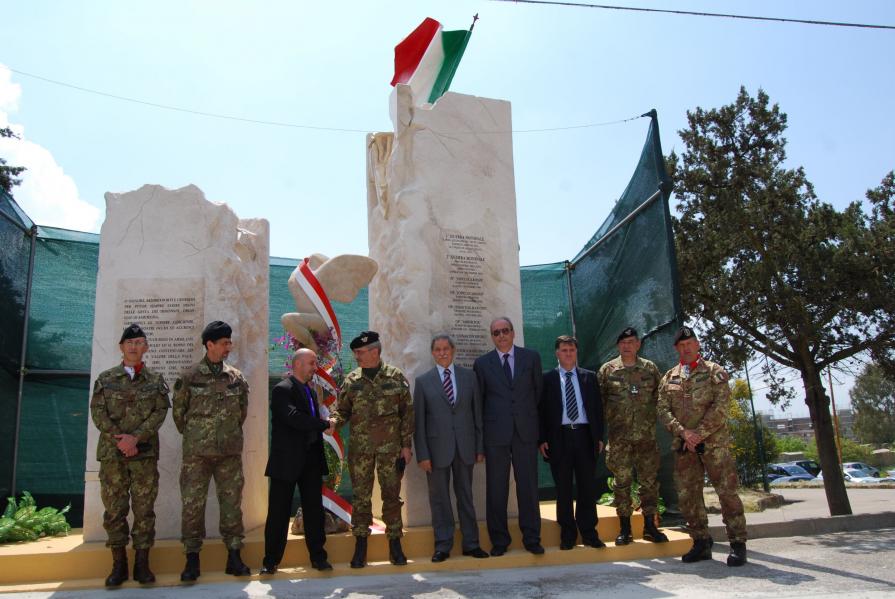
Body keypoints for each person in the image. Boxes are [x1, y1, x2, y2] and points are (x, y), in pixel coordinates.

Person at [658, 326, 747, 566]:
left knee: (727, 493)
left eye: (690, 344)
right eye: (681, 345)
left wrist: (698, 433)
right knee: (688, 497)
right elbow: (662, 410)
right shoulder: (669, 377)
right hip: (684, 446)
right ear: (677, 348)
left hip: (714, 445)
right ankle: (701, 543)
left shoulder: (714, 372)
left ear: (697, 345)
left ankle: (737, 544)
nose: (686, 348)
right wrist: (683, 432)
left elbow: (721, 407)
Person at [90, 323, 170, 587]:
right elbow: (98, 414)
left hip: (144, 455)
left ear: (145, 348)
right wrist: (121, 440)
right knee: (115, 510)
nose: (135, 347)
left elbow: (159, 413)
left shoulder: (156, 381)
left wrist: (136, 438)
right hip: (113, 456)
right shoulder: (105, 379)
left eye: (139, 343)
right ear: (122, 347)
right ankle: (118, 564)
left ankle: (142, 565)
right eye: (130, 343)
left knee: (144, 510)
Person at [173, 320, 252, 581]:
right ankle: (192, 560)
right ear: (210, 344)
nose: (228, 347)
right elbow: (179, 415)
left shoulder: (236, 378)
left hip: (228, 453)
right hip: (197, 454)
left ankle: (234, 557)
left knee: (232, 506)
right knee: (192, 506)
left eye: (229, 342)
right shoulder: (189, 377)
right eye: (224, 342)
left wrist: (224, 435)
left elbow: (241, 413)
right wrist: (201, 436)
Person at [330, 331, 414, 568]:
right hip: (361, 451)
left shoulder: (396, 377)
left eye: (360, 352)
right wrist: (335, 422)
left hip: (391, 450)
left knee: (391, 497)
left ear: (374, 352)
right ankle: (360, 547)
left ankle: (395, 546)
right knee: (361, 498)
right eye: (356, 352)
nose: (356, 356)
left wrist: (406, 446)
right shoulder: (352, 380)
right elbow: (342, 410)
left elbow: (407, 414)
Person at [413, 334, 489, 562]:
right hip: (436, 452)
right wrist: (423, 454)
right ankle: (443, 545)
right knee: (439, 499)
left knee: (466, 496)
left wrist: (479, 446)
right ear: (433, 353)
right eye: (438, 349)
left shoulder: (469, 377)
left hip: (465, 447)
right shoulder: (423, 381)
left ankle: (471, 543)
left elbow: (477, 416)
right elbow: (419, 424)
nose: (443, 352)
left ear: (453, 351)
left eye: (446, 348)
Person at [473, 317, 544, 556]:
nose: (501, 336)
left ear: (513, 333)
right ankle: (499, 540)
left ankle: (532, 537)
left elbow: (538, 395)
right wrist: (480, 443)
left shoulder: (531, 358)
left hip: (525, 433)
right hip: (496, 436)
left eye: (505, 331)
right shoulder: (482, 364)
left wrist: (537, 432)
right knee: (496, 489)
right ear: (492, 337)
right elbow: (479, 405)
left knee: (528, 487)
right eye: (496, 333)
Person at [260, 348, 332, 574]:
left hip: (310, 459)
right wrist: (323, 424)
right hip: (287, 461)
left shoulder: (310, 391)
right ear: (298, 364)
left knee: (314, 510)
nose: (314, 367)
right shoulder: (283, 390)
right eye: (311, 363)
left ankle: (318, 557)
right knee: (279, 512)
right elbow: (293, 418)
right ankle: (271, 561)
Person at [597, 327, 669, 545]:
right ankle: (625, 529)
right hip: (620, 441)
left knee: (649, 483)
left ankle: (649, 527)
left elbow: (662, 399)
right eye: (623, 342)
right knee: (622, 484)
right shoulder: (608, 371)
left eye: (630, 342)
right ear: (618, 346)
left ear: (638, 344)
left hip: (646, 439)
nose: (626, 346)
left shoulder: (650, 369)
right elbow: (598, 406)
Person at [538, 335, 605, 550]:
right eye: (564, 350)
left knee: (587, 487)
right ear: (557, 353)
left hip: (585, 437)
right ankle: (567, 534)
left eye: (572, 350)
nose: (568, 354)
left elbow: (597, 409)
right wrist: (542, 439)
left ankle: (589, 533)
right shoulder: (547, 379)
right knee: (564, 489)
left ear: (577, 352)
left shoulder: (589, 377)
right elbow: (540, 412)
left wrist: (599, 437)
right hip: (560, 438)